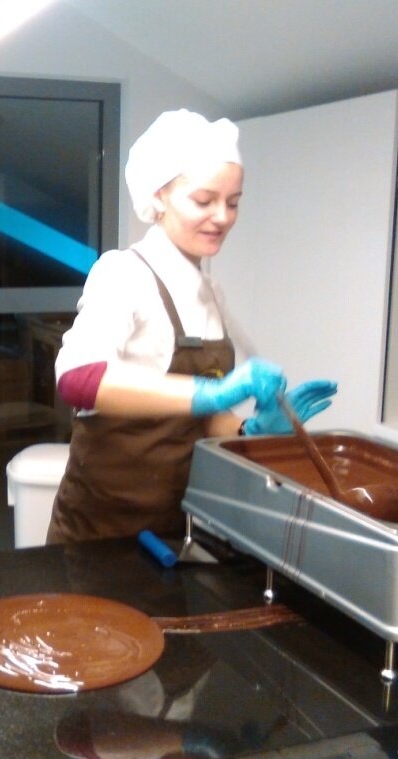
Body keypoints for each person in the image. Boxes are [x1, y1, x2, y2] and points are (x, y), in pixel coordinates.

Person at [47, 109, 337, 544]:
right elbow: (76, 378)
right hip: (98, 532)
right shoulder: (124, 274)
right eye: (204, 201)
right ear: (159, 196)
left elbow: (204, 419)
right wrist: (211, 392)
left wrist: (250, 431)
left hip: (174, 529)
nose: (222, 217)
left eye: (233, 202)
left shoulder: (211, 294)